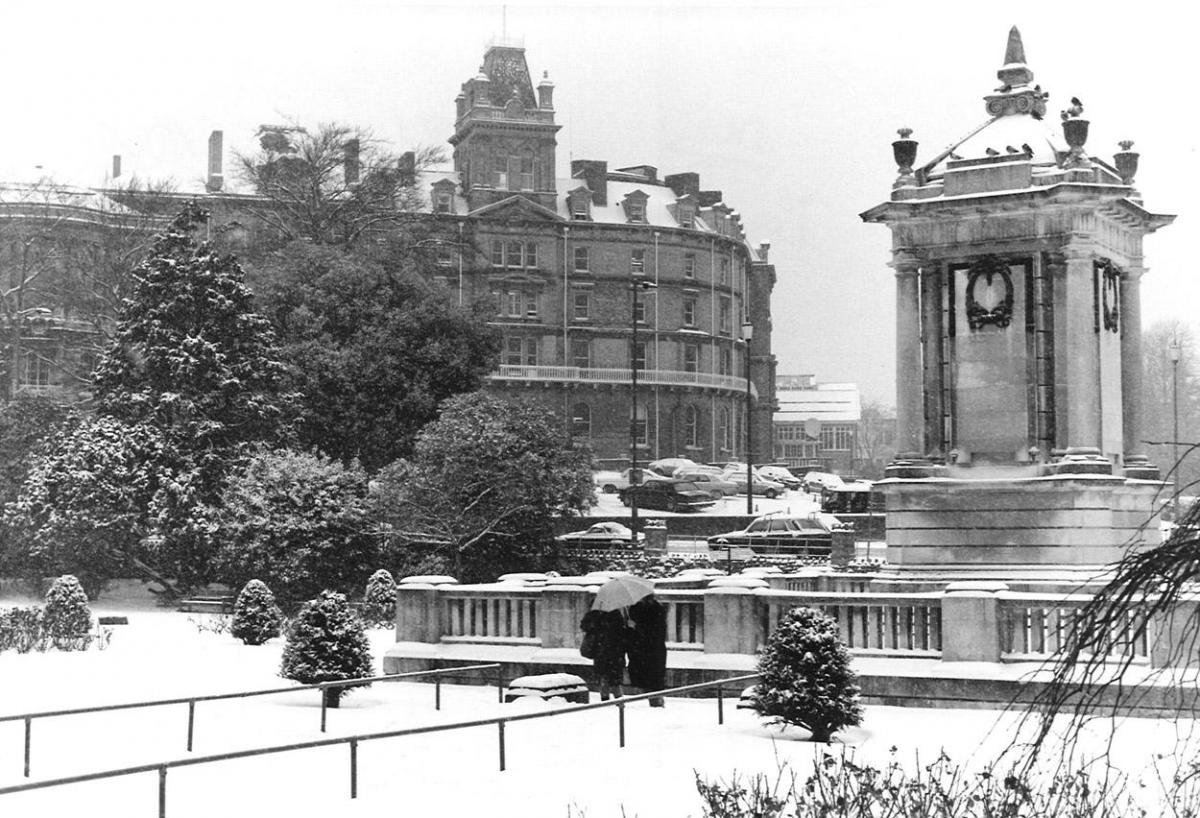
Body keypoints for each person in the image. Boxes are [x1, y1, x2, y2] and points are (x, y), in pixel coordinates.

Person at [627, 594, 667, 707]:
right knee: (651, 677)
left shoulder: (656, 610)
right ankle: (655, 699)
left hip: (650, 650)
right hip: (645, 650)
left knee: (652, 678)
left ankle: (656, 700)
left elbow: (654, 631)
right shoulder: (638, 608)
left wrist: (636, 627)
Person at [580, 608, 627, 700]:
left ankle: (610, 700)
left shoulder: (596, 614)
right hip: (611, 653)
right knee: (612, 680)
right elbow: (622, 634)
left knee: (606, 679)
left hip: (604, 653)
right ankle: (618, 701)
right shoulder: (614, 614)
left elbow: (584, 627)